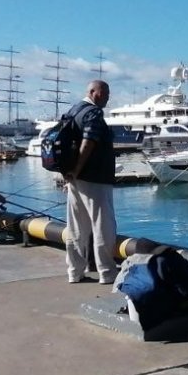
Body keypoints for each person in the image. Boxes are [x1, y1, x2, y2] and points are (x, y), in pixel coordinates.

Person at [62, 79, 118, 284]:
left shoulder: (74, 110)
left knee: (77, 226)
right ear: (94, 92)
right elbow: (89, 141)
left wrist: (71, 173)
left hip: (75, 179)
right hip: (95, 177)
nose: (108, 98)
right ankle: (107, 272)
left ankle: (74, 272)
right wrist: (77, 169)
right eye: (106, 93)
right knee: (103, 225)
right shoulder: (93, 113)